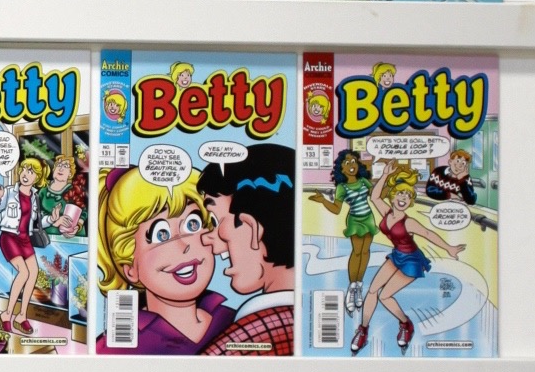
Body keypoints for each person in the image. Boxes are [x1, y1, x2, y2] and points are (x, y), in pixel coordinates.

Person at [95, 166, 233, 354]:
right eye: (161, 235)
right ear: (130, 269)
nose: (183, 245)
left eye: (193, 224)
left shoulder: (231, 319)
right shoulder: (115, 349)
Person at [350, 162, 464, 355]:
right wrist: (385, 174)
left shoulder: (409, 222)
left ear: (410, 201)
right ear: (393, 196)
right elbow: (375, 196)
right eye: (400, 194)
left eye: (408, 196)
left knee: (385, 296)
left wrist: (449, 248)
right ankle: (363, 330)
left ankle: (405, 324)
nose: (403, 198)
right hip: (397, 256)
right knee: (372, 290)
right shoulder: (386, 213)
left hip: (411, 262)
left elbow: (427, 233)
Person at [196, 143, 296, 355]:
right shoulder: (301, 324)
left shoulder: (245, 338)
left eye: (214, 221)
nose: (207, 239)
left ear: (251, 228)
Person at [309, 146, 376, 315]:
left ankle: (359, 285)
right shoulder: (342, 187)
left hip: (368, 218)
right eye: (347, 163)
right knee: (357, 252)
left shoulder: (364, 181)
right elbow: (336, 209)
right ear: (342, 168)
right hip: (355, 220)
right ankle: (352, 287)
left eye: (353, 161)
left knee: (366, 252)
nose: (351, 165)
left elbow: (375, 195)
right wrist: (323, 201)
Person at [0, 156, 47, 335]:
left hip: (25, 239)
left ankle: (21, 316)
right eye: (24, 170)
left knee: (33, 273)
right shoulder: (9, 192)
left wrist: (53, 220)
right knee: (24, 273)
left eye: (31, 172)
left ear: (37, 178)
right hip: (9, 237)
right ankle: (6, 314)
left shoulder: (35, 197)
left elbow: (37, 222)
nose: (25, 174)